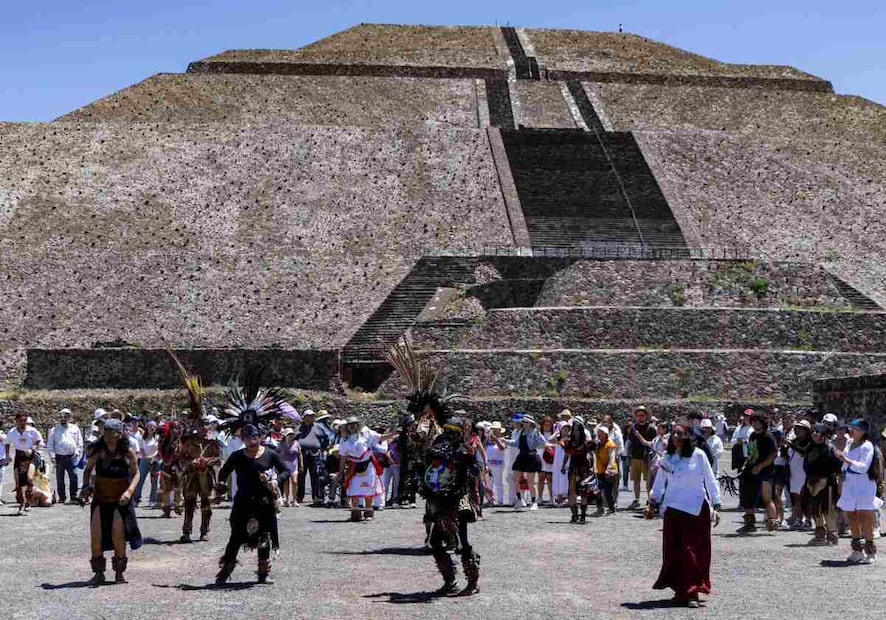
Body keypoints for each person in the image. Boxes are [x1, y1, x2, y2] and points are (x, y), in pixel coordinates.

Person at [385, 339, 481, 596]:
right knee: (437, 542)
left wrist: (439, 454)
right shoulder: (435, 436)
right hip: (439, 495)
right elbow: (430, 460)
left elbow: (460, 461)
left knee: (461, 542)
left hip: (456, 496)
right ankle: (450, 581)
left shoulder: (454, 438)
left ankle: (472, 582)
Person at [647, 422, 722, 608]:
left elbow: (710, 479)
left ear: (688, 436)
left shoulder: (698, 456)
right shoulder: (667, 458)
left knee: (692, 551)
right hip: (673, 509)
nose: (676, 437)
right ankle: (680, 591)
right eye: (674, 434)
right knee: (674, 552)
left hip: (696, 509)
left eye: (680, 434)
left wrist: (717, 503)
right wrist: (652, 502)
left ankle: (693, 591)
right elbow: (659, 484)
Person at [80, 419, 142, 585]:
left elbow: (136, 474)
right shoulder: (98, 451)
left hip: (120, 500)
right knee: (96, 536)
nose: (109, 439)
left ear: (119, 435)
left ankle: (119, 573)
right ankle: (98, 573)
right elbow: (87, 470)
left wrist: (130, 491)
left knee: (118, 536)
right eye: (106, 435)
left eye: (112, 435)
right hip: (100, 498)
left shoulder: (127, 452)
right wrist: (86, 486)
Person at [835, 419, 882, 564]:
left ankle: (870, 552)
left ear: (863, 431)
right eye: (851, 428)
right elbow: (844, 463)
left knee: (864, 518)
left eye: (855, 428)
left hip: (864, 485)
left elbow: (863, 467)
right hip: (850, 484)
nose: (851, 431)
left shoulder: (867, 446)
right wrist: (842, 468)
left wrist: (845, 459)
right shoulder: (849, 443)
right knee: (852, 516)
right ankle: (857, 551)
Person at [796, 423, 842, 545]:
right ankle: (820, 536)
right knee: (815, 510)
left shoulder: (830, 449)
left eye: (818, 431)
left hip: (827, 483)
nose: (815, 433)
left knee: (828, 510)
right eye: (814, 431)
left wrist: (828, 481)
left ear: (824, 435)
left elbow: (837, 468)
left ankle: (832, 536)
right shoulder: (810, 447)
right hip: (811, 481)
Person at [737, 413, 779, 534]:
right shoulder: (752, 435)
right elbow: (751, 453)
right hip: (751, 471)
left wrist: (761, 466)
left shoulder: (768, 436)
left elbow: (773, 454)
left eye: (757, 421)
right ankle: (749, 523)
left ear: (763, 423)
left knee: (767, 499)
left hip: (765, 472)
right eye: (753, 421)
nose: (755, 424)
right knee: (748, 497)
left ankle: (772, 523)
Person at [339, 416, 382, 522]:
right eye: (350, 424)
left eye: (354, 424)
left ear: (358, 425)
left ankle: (368, 513)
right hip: (353, 467)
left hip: (368, 466)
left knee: (368, 488)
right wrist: (340, 472)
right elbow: (343, 456)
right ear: (347, 427)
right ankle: (356, 513)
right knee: (354, 489)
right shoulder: (344, 440)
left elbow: (379, 437)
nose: (352, 426)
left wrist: (394, 434)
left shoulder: (366, 433)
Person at [502, 415, 546, 510]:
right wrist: (506, 441)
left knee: (530, 481)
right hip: (521, 456)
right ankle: (519, 500)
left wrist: (539, 434)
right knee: (515, 478)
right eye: (524, 422)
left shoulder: (535, 432)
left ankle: (534, 502)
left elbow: (543, 443)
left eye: (526, 422)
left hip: (531, 457)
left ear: (531, 423)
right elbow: (517, 443)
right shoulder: (522, 431)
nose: (524, 424)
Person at [5, 412, 44, 514]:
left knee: (29, 478)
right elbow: (7, 443)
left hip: (31, 456)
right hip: (19, 456)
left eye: (25, 420)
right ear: (16, 421)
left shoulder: (32, 430)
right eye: (20, 421)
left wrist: (32, 449)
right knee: (18, 483)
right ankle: (21, 503)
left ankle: (28, 502)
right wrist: (8, 455)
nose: (22, 423)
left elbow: (39, 441)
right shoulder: (12, 432)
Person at [47, 408, 83, 504]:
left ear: (70, 417)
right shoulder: (54, 430)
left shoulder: (75, 428)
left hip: (72, 457)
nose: (64, 418)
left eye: (66, 416)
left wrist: (77, 452)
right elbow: (50, 444)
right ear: (59, 418)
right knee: (60, 478)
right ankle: (62, 497)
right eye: (62, 416)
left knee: (74, 476)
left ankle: (73, 496)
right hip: (59, 457)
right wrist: (52, 456)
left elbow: (80, 442)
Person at [296, 410, 331, 505]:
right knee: (301, 475)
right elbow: (294, 438)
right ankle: (300, 496)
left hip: (315, 454)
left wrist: (322, 448)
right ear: (304, 417)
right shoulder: (299, 428)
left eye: (312, 416)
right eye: (308, 416)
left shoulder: (319, 427)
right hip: (302, 454)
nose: (311, 417)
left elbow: (327, 437)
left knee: (315, 475)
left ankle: (315, 496)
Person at [626, 406, 656, 510]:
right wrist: (628, 456)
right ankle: (636, 499)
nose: (640, 418)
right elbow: (630, 442)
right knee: (636, 480)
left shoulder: (652, 428)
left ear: (647, 416)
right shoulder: (633, 428)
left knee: (648, 481)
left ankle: (649, 500)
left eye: (642, 415)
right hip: (635, 457)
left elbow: (653, 444)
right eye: (638, 415)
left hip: (646, 457)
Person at [786, 420, 811, 529]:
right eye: (796, 428)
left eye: (801, 428)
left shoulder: (810, 442)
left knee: (807, 497)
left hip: (804, 472)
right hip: (794, 472)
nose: (798, 430)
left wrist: (791, 445)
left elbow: (804, 451)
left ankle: (808, 520)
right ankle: (799, 519)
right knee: (796, 497)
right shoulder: (794, 441)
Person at [593, 424, 619, 517]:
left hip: (609, 470)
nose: (599, 434)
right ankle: (600, 508)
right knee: (597, 490)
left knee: (607, 491)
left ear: (605, 434)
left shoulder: (610, 444)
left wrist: (609, 467)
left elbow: (612, 456)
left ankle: (611, 508)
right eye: (598, 433)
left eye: (601, 433)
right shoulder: (598, 444)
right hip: (599, 470)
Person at [134, 421, 159, 507]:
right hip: (144, 461)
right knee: (140, 479)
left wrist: (152, 457)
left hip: (155, 461)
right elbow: (141, 449)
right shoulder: (142, 438)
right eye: (150, 426)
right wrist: (146, 456)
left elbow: (158, 450)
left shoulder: (157, 438)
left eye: (153, 427)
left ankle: (152, 500)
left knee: (154, 481)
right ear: (147, 427)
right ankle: (136, 498)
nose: (151, 428)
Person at [279, 428, 301, 507]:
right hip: (285, 464)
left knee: (294, 482)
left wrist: (301, 464)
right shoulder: (281, 443)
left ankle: (294, 499)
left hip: (294, 465)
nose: (291, 436)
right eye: (289, 434)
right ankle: (286, 499)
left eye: (292, 434)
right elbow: (279, 455)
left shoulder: (296, 443)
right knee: (286, 482)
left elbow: (300, 454)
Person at [537, 416, 556, 505]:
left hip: (550, 458)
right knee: (541, 478)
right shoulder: (538, 434)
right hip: (541, 457)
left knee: (550, 478)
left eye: (549, 425)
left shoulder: (555, 434)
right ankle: (539, 497)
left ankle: (552, 497)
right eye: (545, 425)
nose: (547, 426)